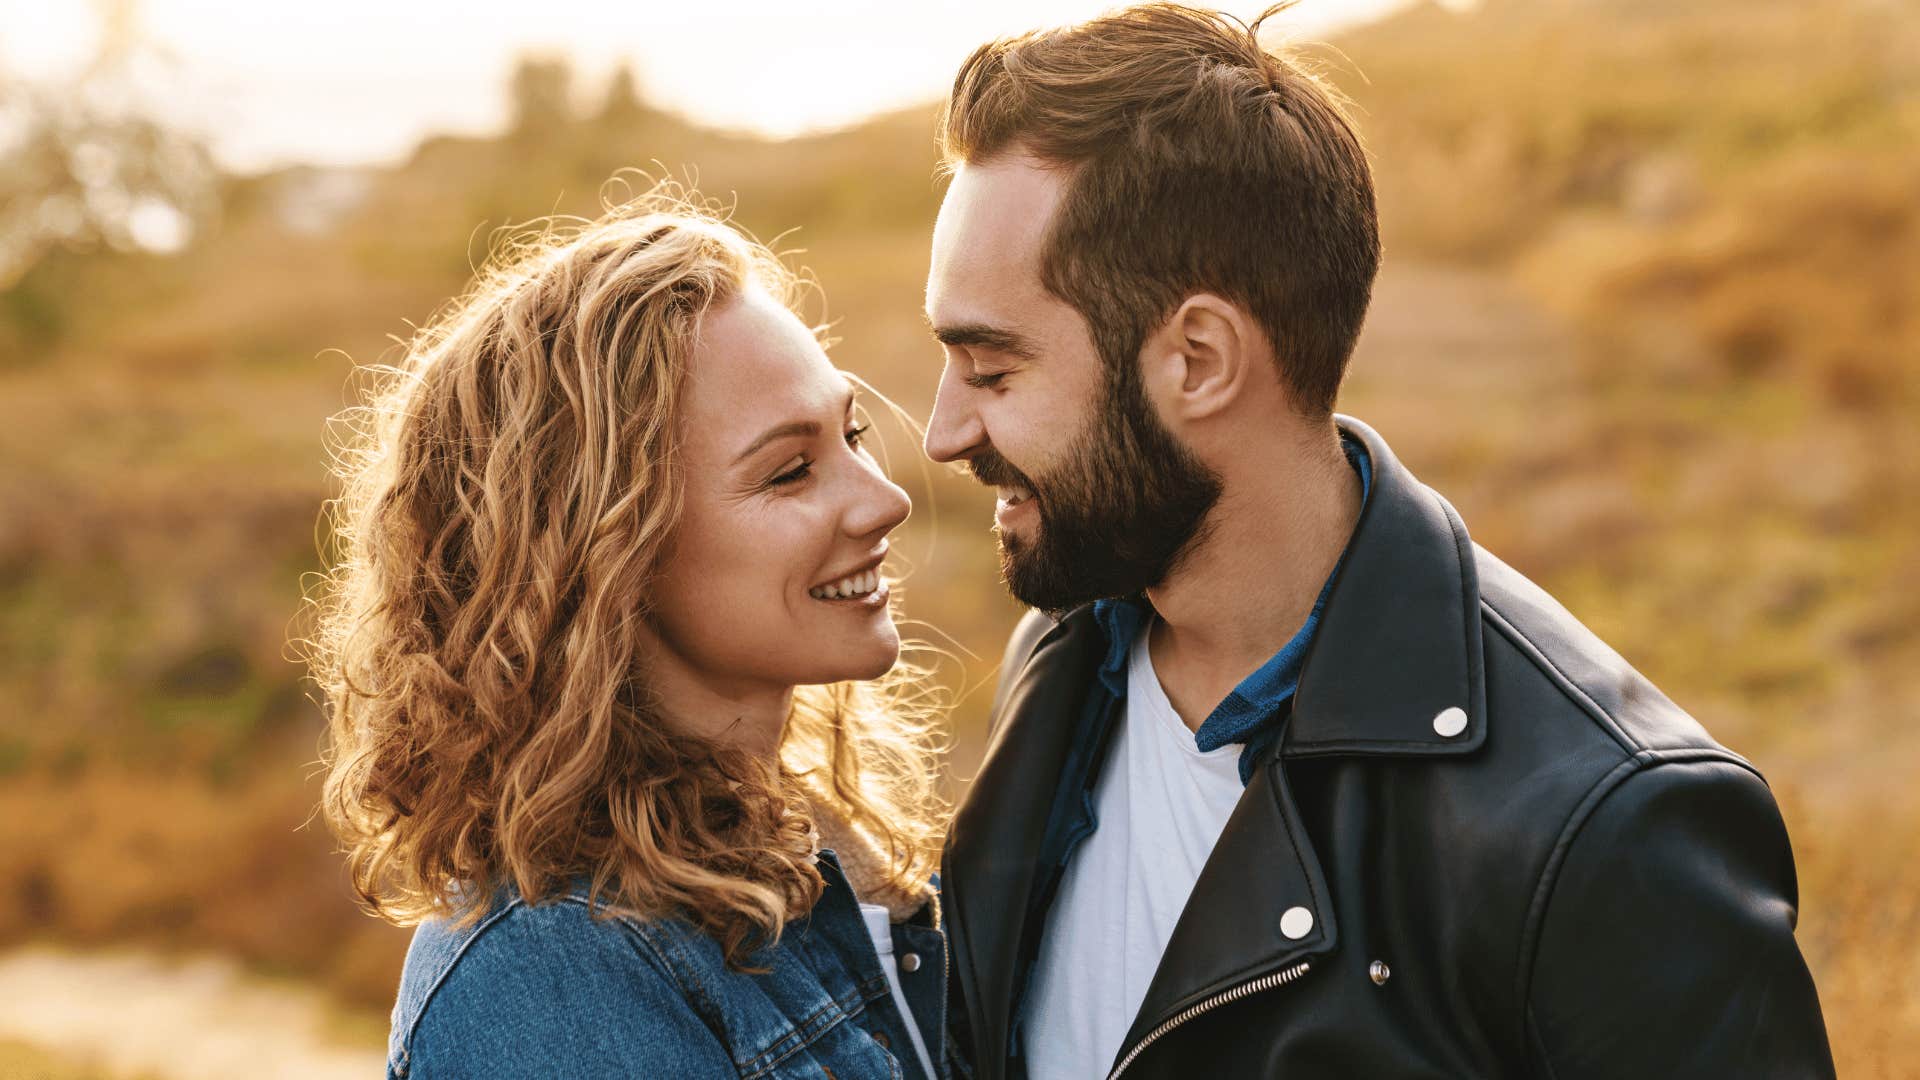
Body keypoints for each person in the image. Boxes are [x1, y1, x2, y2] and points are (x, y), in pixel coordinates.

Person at [921, 5, 1835, 1078]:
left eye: (992, 370)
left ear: (1200, 360)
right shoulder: (1068, 649)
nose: (942, 432)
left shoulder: (1603, 831)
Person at [309, 189, 953, 1078]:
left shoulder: (822, 864)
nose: (885, 498)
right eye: (791, 471)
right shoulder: (545, 979)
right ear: (608, 553)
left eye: (854, 433)